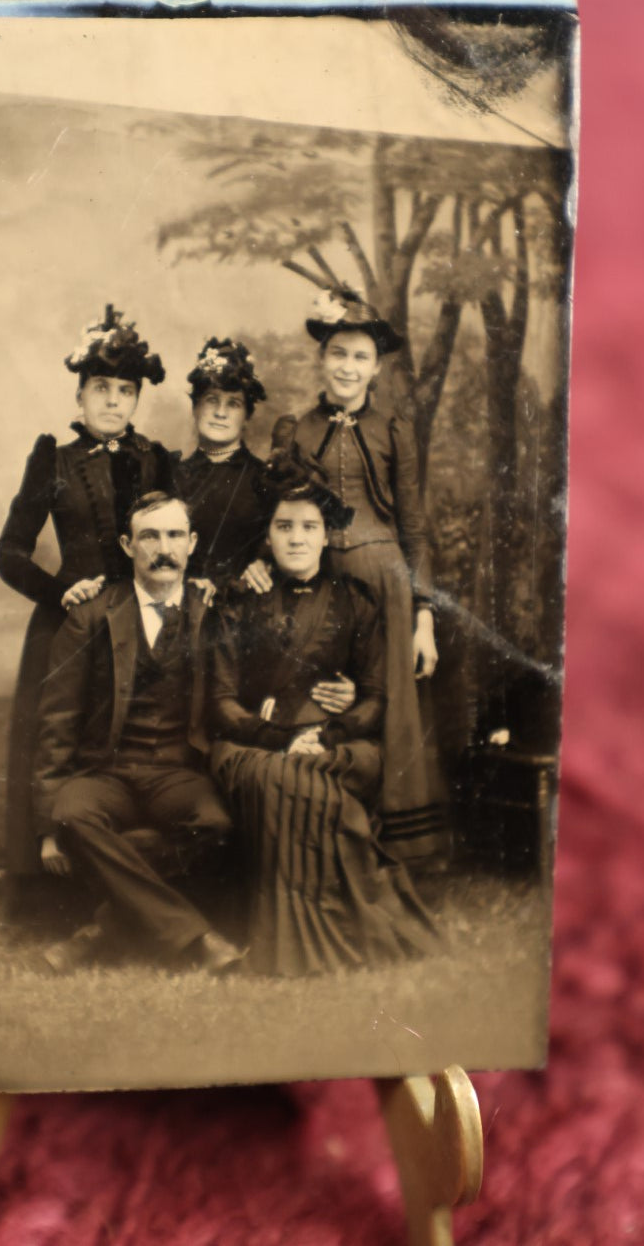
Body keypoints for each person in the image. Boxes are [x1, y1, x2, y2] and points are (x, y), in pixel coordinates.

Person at [210, 457, 437, 975]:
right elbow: (221, 703)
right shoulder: (237, 602)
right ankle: (328, 934)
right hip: (254, 747)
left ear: (327, 535)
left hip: (337, 746)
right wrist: (276, 735)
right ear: (267, 534)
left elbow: (376, 698)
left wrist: (328, 731)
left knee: (305, 776)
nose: (296, 538)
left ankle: (320, 932)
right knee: (282, 779)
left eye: (309, 527)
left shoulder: (356, 601)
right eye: (284, 526)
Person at [247, 286, 447, 864]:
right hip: (321, 581)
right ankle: (333, 842)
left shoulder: (394, 429)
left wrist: (426, 615)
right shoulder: (298, 430)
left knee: (387, 706)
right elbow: (280, 518)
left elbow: (414, 525)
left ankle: (394, 851)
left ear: (376, 366)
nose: (348, 367)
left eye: (361, 357)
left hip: (386, 586)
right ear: (322, 357)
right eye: (338, 353)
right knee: (328, 702)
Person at [0, 305, 173, 913]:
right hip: (67, 627)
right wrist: (57, 591)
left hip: (138, 627)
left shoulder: (156, 460)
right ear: (80, 394)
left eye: (126, 391)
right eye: (102, 389)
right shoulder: (54, 458)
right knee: (60, 746)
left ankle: (126, 893)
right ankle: (52, 899)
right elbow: (10, 552)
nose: (115, 402)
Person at [35, 492, 242, 973]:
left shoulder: (214, 613)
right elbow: (56, 720)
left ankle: (102, 930)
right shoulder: (90, 614)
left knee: (217, 825)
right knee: (72, 814)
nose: (162, 547)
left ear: (192, 544)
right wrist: (48, 829)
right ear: (129, 546)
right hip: (108, 771)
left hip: (177, 771)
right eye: (149, 536)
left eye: (174, 535)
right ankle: (198, 939)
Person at [172, 338, 269, 584]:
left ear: (247, 416)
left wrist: (265, 560)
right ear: (195, 407)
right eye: (212, 400)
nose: (220, 413)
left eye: (234, 404)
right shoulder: (171, 476)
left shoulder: (265, 478)